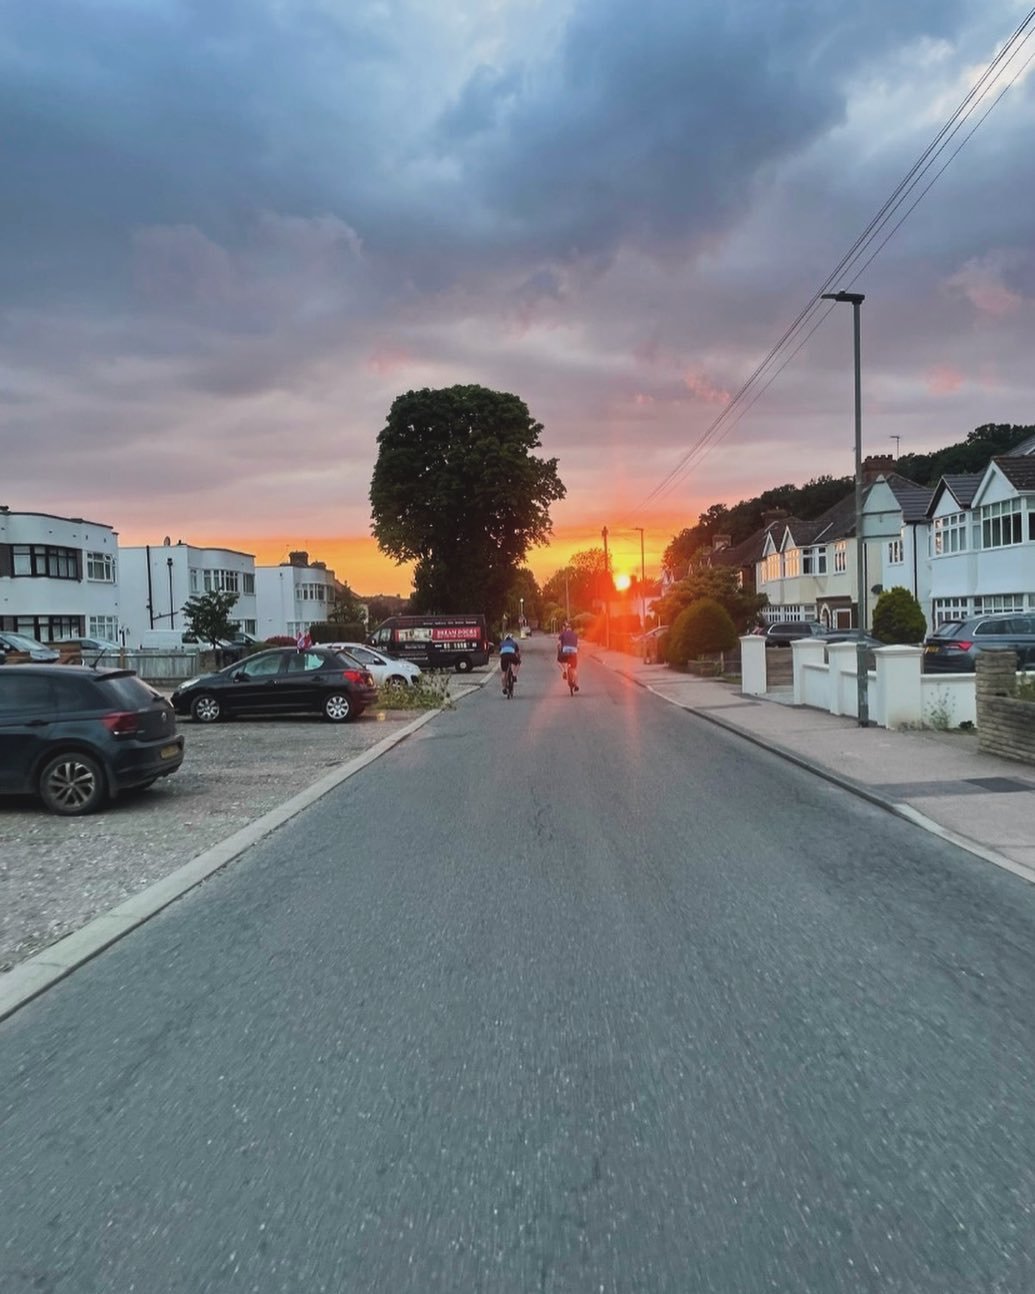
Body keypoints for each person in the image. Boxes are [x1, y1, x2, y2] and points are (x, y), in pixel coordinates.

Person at [557, 621, 579, 691]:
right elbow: (578, 646)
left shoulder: (562, 634)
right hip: (573, 651)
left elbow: (559, 644)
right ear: (572, 628)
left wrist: (559, 650)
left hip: (565, 651)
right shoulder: (575, 634)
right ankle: (575, 684)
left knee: (558, 661)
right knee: (574, 669)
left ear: (566, 628)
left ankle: (565, 672)